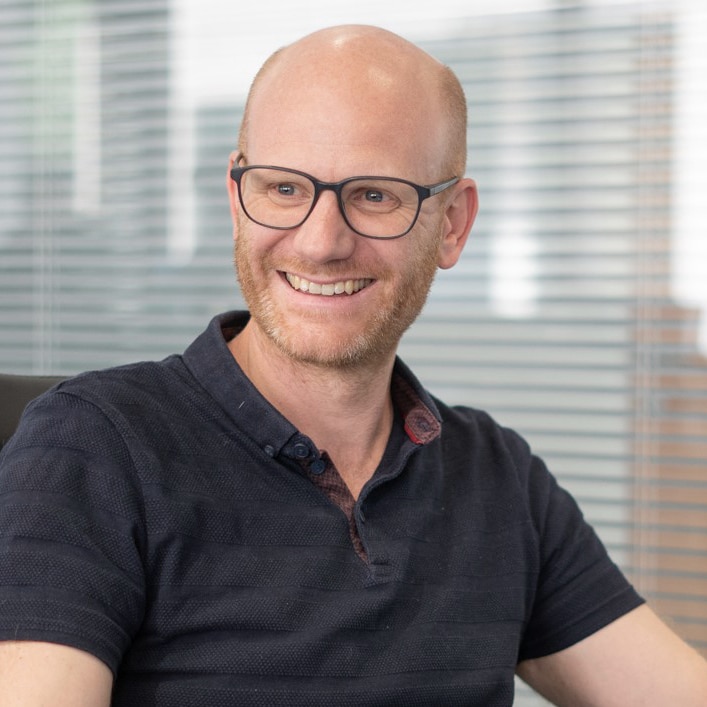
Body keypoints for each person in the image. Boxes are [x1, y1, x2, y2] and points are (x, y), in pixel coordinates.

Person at [0, 24, 705, 707]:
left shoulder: (498, 478)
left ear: (452, 224)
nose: (320, 243)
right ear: (236, 198)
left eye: (374, 195)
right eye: (283, 189)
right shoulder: (95, 448)